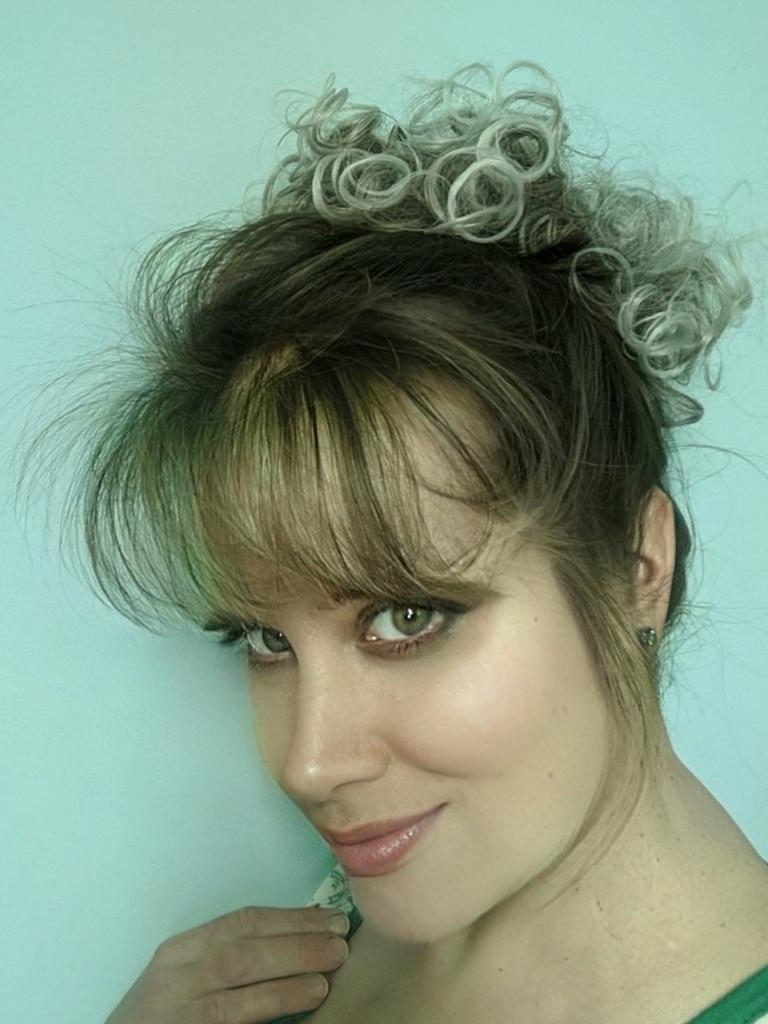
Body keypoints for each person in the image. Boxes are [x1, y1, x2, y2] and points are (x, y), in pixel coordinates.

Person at [20, 59, 768, 1023]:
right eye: (264, 639)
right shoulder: (316, 942)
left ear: (637, 568)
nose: (309, 764)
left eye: (406, 617)